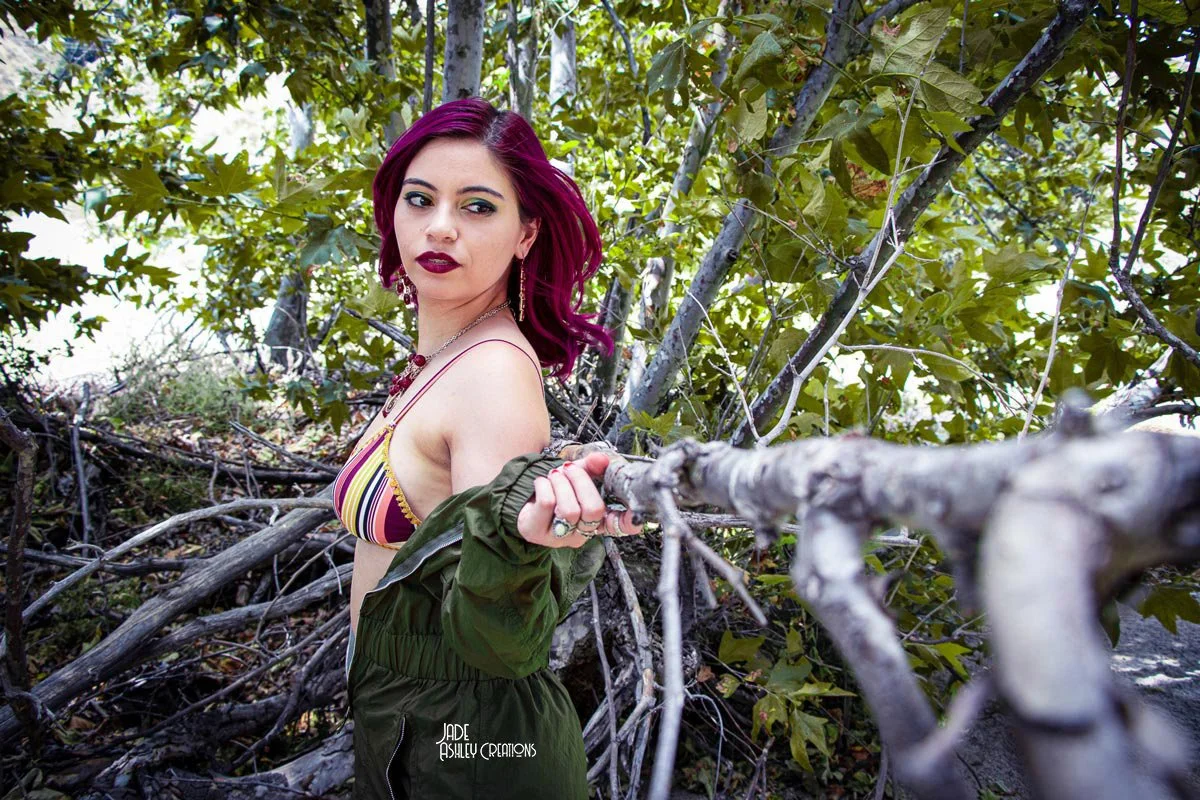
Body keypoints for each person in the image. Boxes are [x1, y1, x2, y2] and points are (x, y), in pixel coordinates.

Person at [333, 97, 645, 800]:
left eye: (478, 207)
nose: (440, 226)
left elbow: (496, 639)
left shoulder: (492, 376)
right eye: (420, 199)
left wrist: (522, 544)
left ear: (526, 233)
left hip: (465, 746)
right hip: (412, 719)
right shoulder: (447, 354)